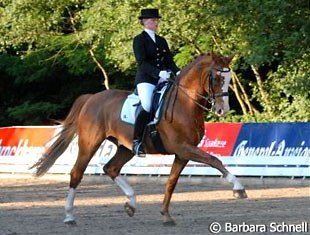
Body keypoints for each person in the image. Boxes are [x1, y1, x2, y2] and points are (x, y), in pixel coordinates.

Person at [132, 8, 180, 156]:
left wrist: (178, 73)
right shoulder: (139, 40)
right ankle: (137, 140)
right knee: (147, 104)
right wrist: (159, 72)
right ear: (145, 22)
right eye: (153, 20)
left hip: (163, 78)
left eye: (156, 20)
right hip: (146, 79)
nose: (156, 22)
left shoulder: (161, 40)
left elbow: (169, 61)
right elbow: (142, 62)